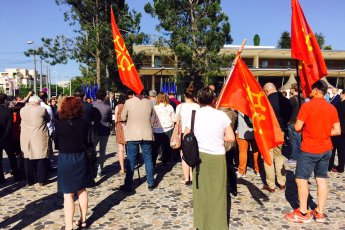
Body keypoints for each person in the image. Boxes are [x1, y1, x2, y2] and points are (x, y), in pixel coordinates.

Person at [285, 80, 341, 223]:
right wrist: (323, 131)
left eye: (311, 89)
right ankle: (320, 213)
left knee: (301, 179)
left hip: (309, 148)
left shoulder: (307, 106)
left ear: (316, 90)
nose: (309, 91)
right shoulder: (331, 108)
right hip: (326, 148)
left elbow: (297, 127)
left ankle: (303, 213)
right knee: (321, 179)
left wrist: (310, 129)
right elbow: (337, 131)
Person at [185, 86, 235, 230]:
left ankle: (202, 223)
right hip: (218, 157)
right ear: (214, 100)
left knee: (201, 192)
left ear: (198, 100)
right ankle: (218, 225)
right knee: (218, 193)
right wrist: (220, 136)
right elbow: (231, 137)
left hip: (199, 157)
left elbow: (186, 136)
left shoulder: (194, 115)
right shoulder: (221, 116)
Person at [54, 97, 90, 230]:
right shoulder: (85, 123)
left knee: (68, 193)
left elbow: (56, 141)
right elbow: (88, 140)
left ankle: (69, 226)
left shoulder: (59, 124)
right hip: (81, 157)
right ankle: (84, 220)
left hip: (66, 158)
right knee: (82, 190)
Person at [120, 90, 155, 192]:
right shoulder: (148, 102)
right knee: (148, 159)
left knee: (131, 160)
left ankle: (128, 184)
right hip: (146, 133)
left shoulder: (128, 102)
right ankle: (151, 182)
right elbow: (152, 115)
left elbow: (122, 117)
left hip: (133, 134)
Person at [262, 82, 292, 193]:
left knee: (268, 158)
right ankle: (282, 183)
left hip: (269, 132)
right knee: (279, 156)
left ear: (266, 91)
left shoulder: (266, 101)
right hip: (281, 131)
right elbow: (289, 115)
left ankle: (271, 185)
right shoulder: (285, 100)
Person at [20, 95, 50, 186]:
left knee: (27, 158)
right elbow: (48, 119)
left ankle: (29, 180)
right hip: (38, 136)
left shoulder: (22, 110)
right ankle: (42, 180)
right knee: (41, 158)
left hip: (26, 137)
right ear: (37, 102)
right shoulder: (41, 109)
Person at [176, 85, 200, 185]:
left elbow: (176, 120)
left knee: (184, 156)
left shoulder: (180, 106)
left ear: (184, 95)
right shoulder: (198, 106)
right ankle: (193, 176)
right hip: (196, 133)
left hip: (183, 134)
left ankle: (186, 179)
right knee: (194, 154)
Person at [151, 93, 176, 166]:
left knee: (155, 147)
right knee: (166, 147)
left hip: (157, 129)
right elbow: (174, 118)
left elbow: (152, 119)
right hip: (168, 129)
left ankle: (153, 161)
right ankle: (165, 161)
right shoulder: (170, 107)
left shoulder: (155, 107)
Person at [0, 93, 20, 184]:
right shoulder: (8, 111)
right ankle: (16, 175)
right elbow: (10, 126)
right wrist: (4, 136)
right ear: (4, 101)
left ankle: (1, 178)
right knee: (12, 158)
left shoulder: (7, 111)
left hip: (3, 138)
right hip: (7, 138)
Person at [92, 89, 112, 178]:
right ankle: (100, 169)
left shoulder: (92, 105)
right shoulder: (107, 107)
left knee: (92, 149)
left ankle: (92, 167)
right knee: (102, 150)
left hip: (94, 130)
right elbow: (110, 120)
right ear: (104, 97)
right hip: (104, 130)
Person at [235, 112, 260, 177]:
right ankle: (258, 170)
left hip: (242, 131)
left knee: (243, 151)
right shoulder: (255, 105)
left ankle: (241, 171)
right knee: (256, 151)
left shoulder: (240, 106)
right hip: (255, 131)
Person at [287, 83, 305, 163]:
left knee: (294, 140)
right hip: (301, 121)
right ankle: (300, 156)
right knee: (299, 140)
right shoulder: (303, 99)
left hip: (293, 121)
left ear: (293, 89)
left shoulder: (293, 99)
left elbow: (287, 110)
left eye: (291, 88)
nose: (290, 90)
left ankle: (294, 157)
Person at [329, 89, 345, 173]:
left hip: (337, 129)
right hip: (344, 131)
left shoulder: (339, 104)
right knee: (342, 150)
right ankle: (341, 167)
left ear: (343, 94)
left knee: (332, 148)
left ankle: (329, 166)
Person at [114, 93, 127, 175]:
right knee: (129, 148)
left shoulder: (117, 107)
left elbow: (115, 119)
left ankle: (122, 168)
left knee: (120, 149)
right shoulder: (127, 106)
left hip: (119, 125)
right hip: (127, 125)